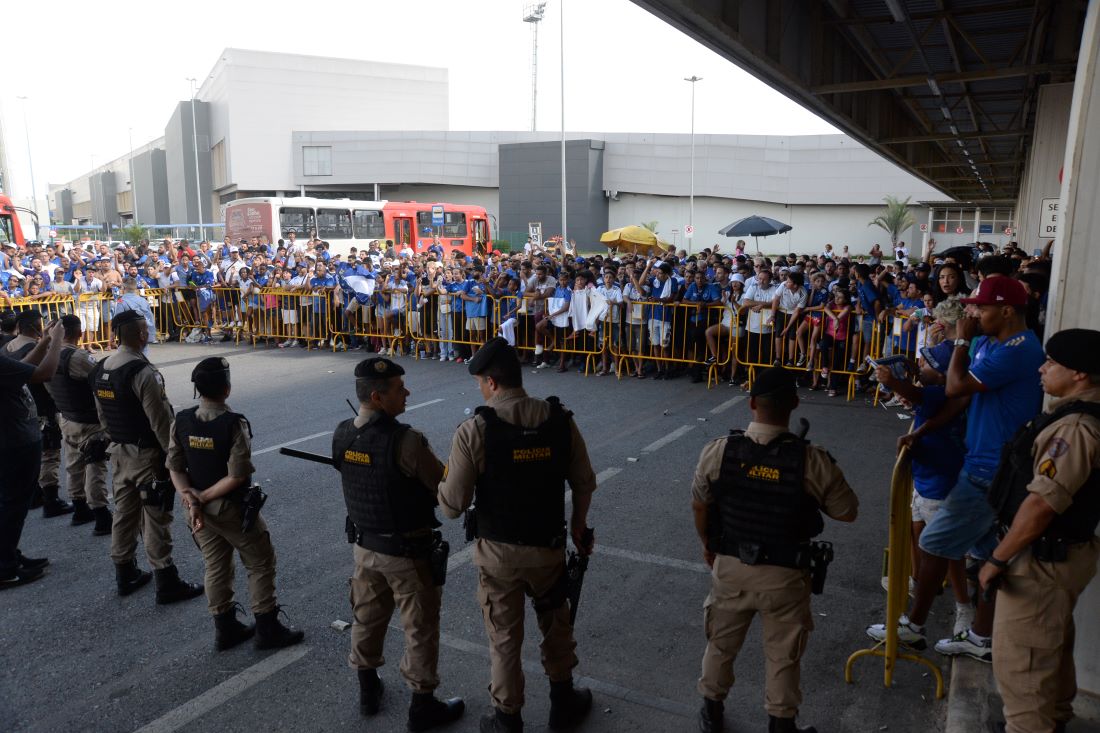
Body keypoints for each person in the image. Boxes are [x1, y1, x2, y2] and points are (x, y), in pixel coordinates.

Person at [867, 276, 1045, 662]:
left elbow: (953, 387)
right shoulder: (989, 343)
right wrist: (924, 429)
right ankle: (980, 637)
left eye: (981, 307)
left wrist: (962, 339)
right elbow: (960, 401)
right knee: (986, 555)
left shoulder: (1018, 349)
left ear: (1007, 310)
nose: (973, 313)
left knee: (934, 542)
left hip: (992, 467)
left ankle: (913, 628)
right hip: (980, 460)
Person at [438, 337, 596, 733]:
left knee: (505, 638)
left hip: (499, 556)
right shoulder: (559, 419)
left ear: (491, 382)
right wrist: (578, 525)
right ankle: (563, 702)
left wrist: (440, 484)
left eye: (480, 382)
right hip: (548, 549)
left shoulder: (474, 429)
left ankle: (507, 718)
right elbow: (584, 481)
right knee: (556, 624)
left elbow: (452, 506)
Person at [691, 367, 858, 733]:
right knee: (783, 655)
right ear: (794, 404)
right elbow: (847, 512)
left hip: (731, 565)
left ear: (751, 403)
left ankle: (711, 712)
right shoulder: (811, 460)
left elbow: (701, 504)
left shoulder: (719, 451)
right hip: (785, 575)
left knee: (720, 645)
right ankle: (781, 725)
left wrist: (708, 546)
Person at [980, 329, 1100, 733]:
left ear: (1080, 373)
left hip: (1042, 559)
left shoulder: (1076, 428)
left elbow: (1042, 504)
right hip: (1058, 556)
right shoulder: (1073, 416)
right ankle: (1056, 719)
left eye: (1052, 362)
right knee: (1051, 645)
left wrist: (997, 558)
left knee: (1023, 666)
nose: (1042, 368)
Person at [335, 357, 464, 731]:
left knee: (366, 619)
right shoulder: (406, 441)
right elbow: (442, 485)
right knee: (419, 628)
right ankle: (422, 706)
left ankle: (367, 689)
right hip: (406, 554)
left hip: (364, 547)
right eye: (398, 389)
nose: (407, 393)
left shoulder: (343, 433)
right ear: (377, 396)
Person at [167, 357, 303, 651]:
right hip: (227, 508)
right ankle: (267, 628)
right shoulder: (232, 424)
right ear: (226, 389)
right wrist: (202, 497)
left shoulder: (182, 420)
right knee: (260, 561)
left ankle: (225, 628)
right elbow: (237, 475)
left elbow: (174, 467)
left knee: (215, 565)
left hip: (197, 511)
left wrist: (190, 496)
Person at [90, 309, 204, 603]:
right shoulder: (142, 372)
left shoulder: (102, 367)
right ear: (141, 334)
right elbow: (161, 422)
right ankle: (166, 579)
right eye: (146, 329)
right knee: (154, 518)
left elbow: (102, 415)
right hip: (146, 455)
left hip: (119, 450)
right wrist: (175, 460)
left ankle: (124, 571)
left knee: (125, 515)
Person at [0, 320, 65, 588]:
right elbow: (43, 373)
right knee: (12, 506)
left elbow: (24, 365)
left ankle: (8, 555)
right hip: (12, 443)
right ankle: (5, 567)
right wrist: (58, 339)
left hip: (15, 438)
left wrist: (44, 341)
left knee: (11, 504)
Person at [45, 315, 113, 534]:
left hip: (66, 417)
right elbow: (101, 381)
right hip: (88, 421)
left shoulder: (49, 355)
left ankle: (79, 508)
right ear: (79, 333)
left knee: (74, 465)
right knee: (95, 465)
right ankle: (101, 513)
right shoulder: (78, 357)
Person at [3, 310, 71, 517]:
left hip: (21, 410)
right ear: (35, 327)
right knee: (50, 455)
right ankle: (50, 499)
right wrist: (56, 340)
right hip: (36, 409)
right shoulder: (31, 347)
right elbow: (45, 376)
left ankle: (35, 494)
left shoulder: (8, 346)